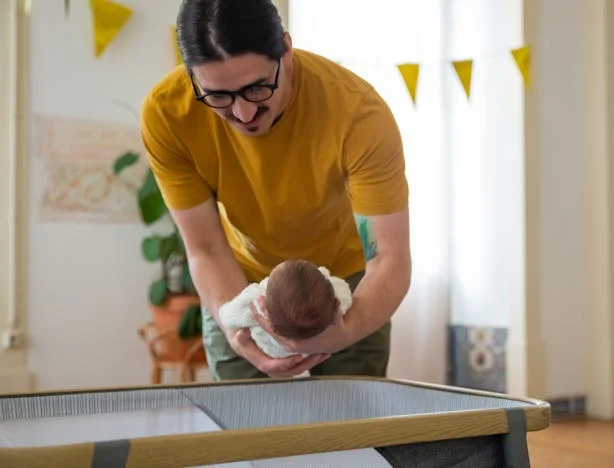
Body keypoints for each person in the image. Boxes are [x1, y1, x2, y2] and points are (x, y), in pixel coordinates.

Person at [140, 0, 411, 380]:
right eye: (218, 96)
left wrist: (345, 330)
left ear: (286, 48)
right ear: (192, 77)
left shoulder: (358, 114)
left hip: (345, 283)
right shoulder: (167, 113)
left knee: (351, 429)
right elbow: (206, 247)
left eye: (257, 88)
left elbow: (388, 257)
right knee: (247, 431)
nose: (244, 114)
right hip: (237, 279)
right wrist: (237, 335)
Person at [218, 259, 354, 360]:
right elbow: (345, 291)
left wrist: (224, 313)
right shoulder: (337, 297)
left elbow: (228, 316)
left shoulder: (257, 301)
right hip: (318, 346)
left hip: (271, 351)